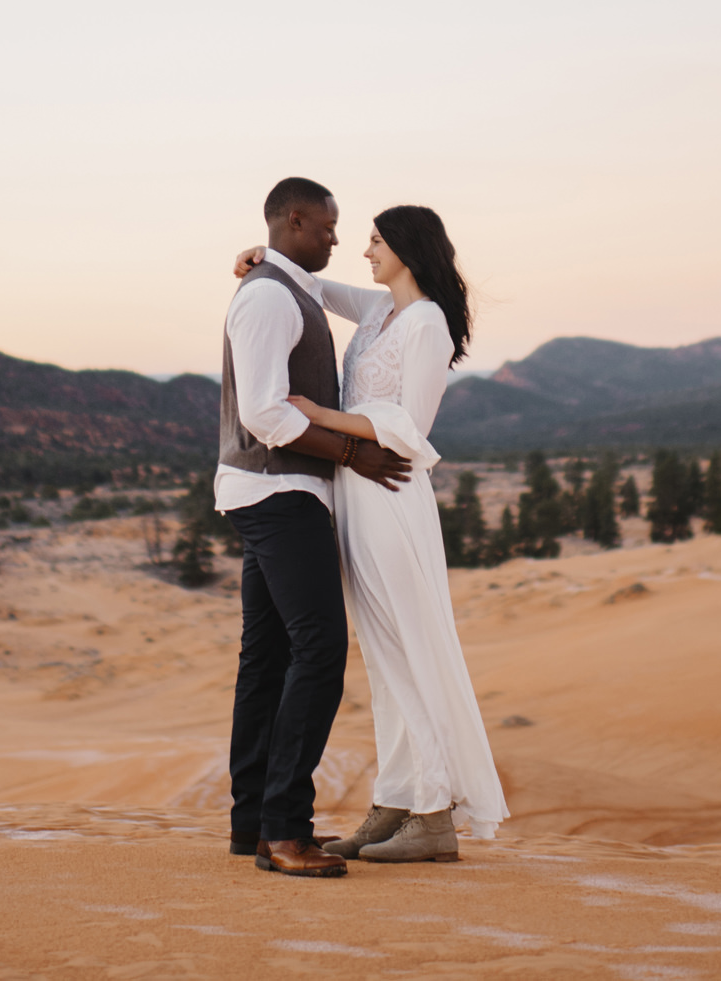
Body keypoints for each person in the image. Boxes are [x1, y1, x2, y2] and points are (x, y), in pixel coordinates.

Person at [233, 202, 508, 863]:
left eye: (376, 241)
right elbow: (314, 285)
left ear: (408, 247)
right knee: (383, 656)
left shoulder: (428, 323)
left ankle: (434, 811)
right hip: (354, 494)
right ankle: (398, 795)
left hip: (389, 493)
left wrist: (326, 414)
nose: (364, 251)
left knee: (407, 646)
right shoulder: (382, 309)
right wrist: (261, 257)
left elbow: (412, 425)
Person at [218, 176, 414, 878]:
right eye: (329, 226)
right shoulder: (270, 296)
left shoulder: (282, 285)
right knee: (320, 646)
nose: (337, 237)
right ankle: (284, 828)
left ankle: (255, 825)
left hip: (275, 490)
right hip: (278, 490)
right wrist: (354, 452)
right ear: (295, 219)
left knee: (267, 657)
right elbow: (265, 414)